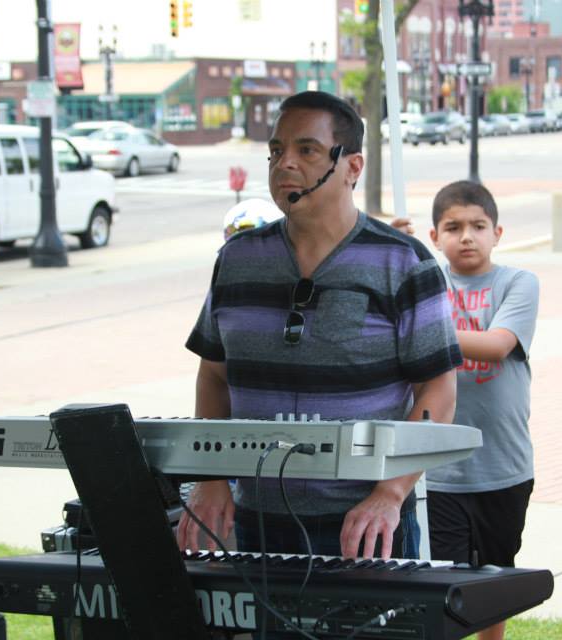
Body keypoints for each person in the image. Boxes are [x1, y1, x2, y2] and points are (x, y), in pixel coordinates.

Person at [178, 91, 461, 567]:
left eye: (306, 150)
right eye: (275, 150)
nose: (284, 163)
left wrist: (390, 495)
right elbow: (213, 376)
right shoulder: (236, 260)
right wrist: (211, 478)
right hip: (257, 521)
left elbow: (438, 388)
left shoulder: (404, 262)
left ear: (352, 166)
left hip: (366, 528)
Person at [425, 181, 540, 640]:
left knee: (495, 580)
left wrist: (418, 330)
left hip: (503, 465)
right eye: (453, 227)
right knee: (444, 584)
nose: (466, 236)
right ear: (434, 237)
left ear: (498, 232)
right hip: (439, 471)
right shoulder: (427, 283)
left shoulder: (518, 283)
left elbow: (496, 346)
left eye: (478, 226)